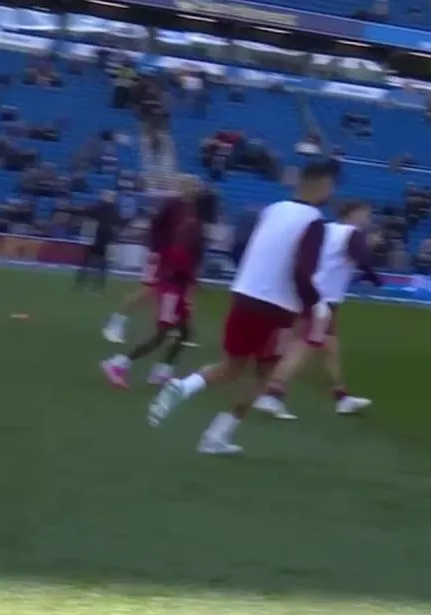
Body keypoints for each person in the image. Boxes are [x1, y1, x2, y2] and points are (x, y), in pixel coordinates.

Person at [146, 160, 337, 455]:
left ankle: (184, 386)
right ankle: (216, 436)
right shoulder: (314, 221)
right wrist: (316, 304)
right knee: (263, 376)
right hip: (276, 308)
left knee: (231, 366)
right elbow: (302, 272)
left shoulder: (272, 209)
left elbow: (243, 246)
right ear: (322, 184)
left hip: (244, 295)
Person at [252, 200, 382, 420]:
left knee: (330, 348)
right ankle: (272, 393)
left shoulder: (327, 229)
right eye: (365, 214)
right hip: (323, 300)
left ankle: (341, 397)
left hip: (313, 293)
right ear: (352, 213)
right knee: (305, 346)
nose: (367, 220)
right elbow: (362, 259)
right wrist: (376, 279)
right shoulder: (352, 233)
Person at [100, 201, 202, 388]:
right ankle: (118, 364)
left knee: (184, 333)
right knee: (161, 336)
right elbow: (181, 273)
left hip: (175, 293)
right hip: (172, 294)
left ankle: (162, 370)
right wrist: (188, 292)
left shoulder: (179, 246)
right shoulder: (178, 248)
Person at [102, 177, 201, 344]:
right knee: (146, 292)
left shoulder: (192, 208)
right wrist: (155, 250)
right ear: (182, 186)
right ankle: (115, 323)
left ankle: (178, 331)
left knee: (178, 295)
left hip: (176, 259)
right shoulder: (172, 205)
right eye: (191, 186)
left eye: (196, 187)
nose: (194, 189)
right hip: (162, 256)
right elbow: (156, 227)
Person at [74, 190, 120, 293]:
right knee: (102, 266)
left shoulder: (100, 208)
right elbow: (118, 222)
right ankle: (99, 288)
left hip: (98, 238)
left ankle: (79, 285)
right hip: (107, 240)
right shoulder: (115, 210)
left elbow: (88, 212)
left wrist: (81, 209)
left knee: (87, 262)